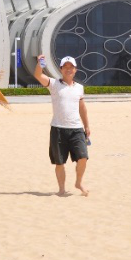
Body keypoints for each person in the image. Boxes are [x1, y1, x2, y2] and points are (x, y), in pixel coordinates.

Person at [33, 54, 91, 196]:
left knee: (83, 157)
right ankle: (61, 189)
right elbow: (38, 75)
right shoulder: (54, 84)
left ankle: (78, 182)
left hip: (76, 129)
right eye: (65, 67)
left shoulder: (79, 88)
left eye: (71, 67)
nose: (68, 69)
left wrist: (87, 126)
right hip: (58, 129)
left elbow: (82, 108)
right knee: (59, 162)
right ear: (61, 69)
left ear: (75, 70)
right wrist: (40, 63)